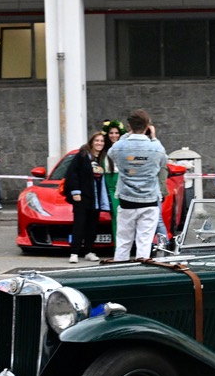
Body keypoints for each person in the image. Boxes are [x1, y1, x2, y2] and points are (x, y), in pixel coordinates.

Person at [107, 109, 168, 261]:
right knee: (144, 242)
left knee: (123, 241)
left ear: (129, 126)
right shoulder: (156, 148)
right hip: (149, 199)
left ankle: (119, 271)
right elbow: (163, 162)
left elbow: (111, 154)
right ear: (148, 126)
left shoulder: (119, 147)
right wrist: (153, 138)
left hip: (127, 199)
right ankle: (141, 272)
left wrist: (127, 135)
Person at [65, 132, 108, 264]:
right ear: (91, 142)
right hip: (82, 197)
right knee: (80, 224)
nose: (99, 143)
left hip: (95, 198)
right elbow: (72, 173)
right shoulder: (82, 156)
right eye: (97, 141)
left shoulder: (102, 159)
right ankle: (74, 252)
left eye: (102, 141)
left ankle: (89, 251)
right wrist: (75, 192)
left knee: (92, 225)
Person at [99, 119, 125, 234]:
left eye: (116, 133)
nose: (114, 135)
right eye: (111, 133)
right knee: (116, 216)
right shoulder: (103, 151)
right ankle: (117, 247)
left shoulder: (124, 148)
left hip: (123, 183)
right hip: (109, 185)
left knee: (123, 217)